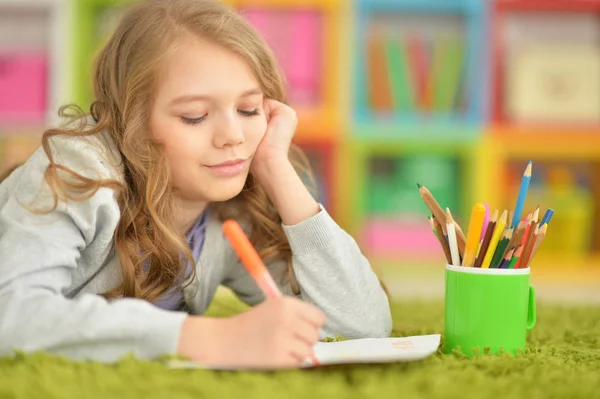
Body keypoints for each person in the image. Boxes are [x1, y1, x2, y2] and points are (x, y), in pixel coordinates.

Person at [0, 0, 391, 369]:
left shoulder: (232, 208)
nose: (232, 136)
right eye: (194, 116)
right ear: (133, 123)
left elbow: (361, 326)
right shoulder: (76, 169)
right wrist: (208, 338)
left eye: (249, 109)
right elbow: (12, 315)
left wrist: (276, 168)